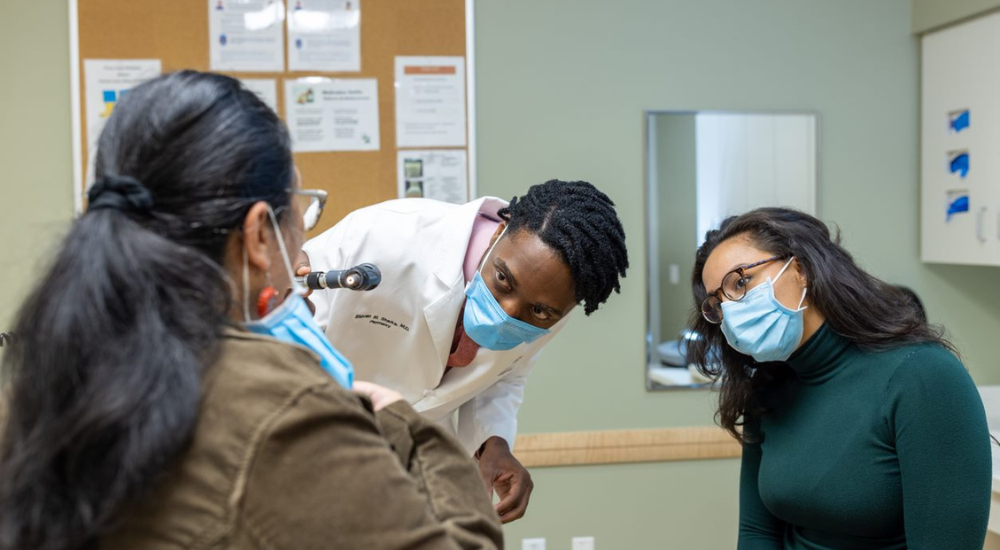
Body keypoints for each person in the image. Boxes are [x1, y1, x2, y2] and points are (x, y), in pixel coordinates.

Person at [0, 71, 502, 550]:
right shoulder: (285, 407)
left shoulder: (42, 376)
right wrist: (402, 423)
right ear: (261, 235)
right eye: (300, 210)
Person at [300, 180, 629, 522]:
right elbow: (286, 321)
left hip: (414, 469)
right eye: (504, 280)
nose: (508, 312)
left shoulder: (548, 305)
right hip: (313, 442)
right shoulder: (385, 237)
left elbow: (506, 375)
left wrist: (493, 443)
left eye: (540, 312)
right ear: (498, 233)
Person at [687, 207, 991, 550]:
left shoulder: (923, 378)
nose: (731, 311)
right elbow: (757, 534)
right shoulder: (767, 391)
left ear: (800, 269)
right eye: (718, 304)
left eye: (740, 282)